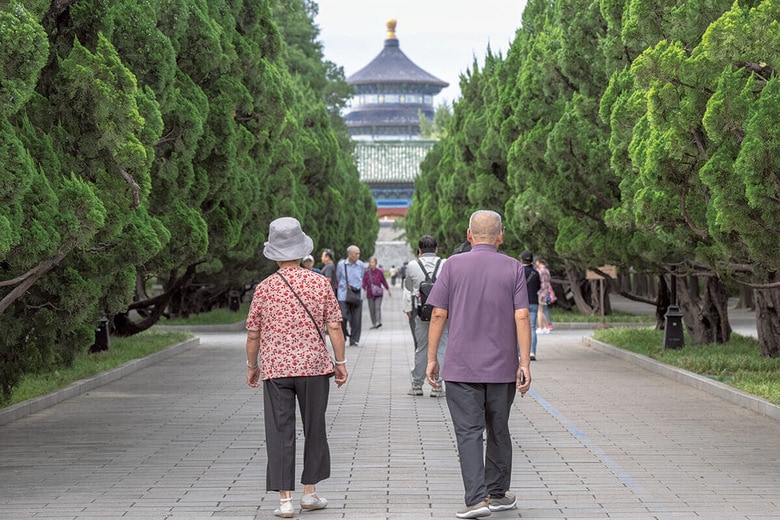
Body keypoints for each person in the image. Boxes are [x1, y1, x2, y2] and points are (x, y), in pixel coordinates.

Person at [425, 210, 532, 519]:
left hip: (461, 368)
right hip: (501, 368)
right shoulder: (513, 268)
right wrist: (524, 362)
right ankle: (497, 495)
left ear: (469, 235)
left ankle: (475, 500)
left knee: (469, 432)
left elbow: (438, 314)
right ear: (501, 236)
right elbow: (522, 316)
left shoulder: (452, 265)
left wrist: (432, 358)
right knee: (498, 427)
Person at [244, 217, 348, 518]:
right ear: (302, 250)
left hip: (276, 369)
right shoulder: (319, 282)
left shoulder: (264, 288)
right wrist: (339, 363)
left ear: (273, 252)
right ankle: (310, 493)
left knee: (279, 430)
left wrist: (253, 365)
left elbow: (253, 333)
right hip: (314, 367)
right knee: (314, 428)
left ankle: (285, 501)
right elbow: (335, 327)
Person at [404, 235, 448, 398]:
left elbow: (408, 286)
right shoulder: (445, 263)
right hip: (443, 312)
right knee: (442, 346)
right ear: (436, 249)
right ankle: (438, 385)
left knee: (422, 347)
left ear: (420, 250)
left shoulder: (413, 265)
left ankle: (417, 385)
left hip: (423, 313)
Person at [336, 245, 365, 346]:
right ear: (350, 254)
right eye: (356, 253)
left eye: (359, 253)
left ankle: (354, 339)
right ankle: (344, 335)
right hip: (343, 295)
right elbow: (338, 277)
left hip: (357, 295)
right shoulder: (341, 265)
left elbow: (362, 276)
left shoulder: (361, 265)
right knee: (342, 316)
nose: (358, 255)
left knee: (356, 319)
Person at [520, 250, 541, 360]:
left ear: (521, 260)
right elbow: (538, 287)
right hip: (533, 302)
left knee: (519, 327)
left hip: (520, 303)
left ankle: (520, 354)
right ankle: (532, 352)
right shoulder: (536, 273)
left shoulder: (518, 271)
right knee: (532, 327)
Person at [362, 257, 391, 329]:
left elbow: (383, 281)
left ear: (376, 263)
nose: (372, 264)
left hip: (378, 293)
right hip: (370, 293)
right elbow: (364, 282)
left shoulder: (379, 272)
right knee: (372, 309)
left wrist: (388, 290)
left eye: (373, 262)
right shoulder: (366, 272)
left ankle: (378, 322)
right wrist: (363, 290)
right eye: (371, 262)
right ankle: (374, 323)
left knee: (377, 307)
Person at [536, 258, 554, 333]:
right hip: (545, 292)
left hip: (540, 292)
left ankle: (541, 327)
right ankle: (546, 327)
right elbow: (549, 280)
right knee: (542, 309)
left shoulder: (539, 271)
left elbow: (537, 281)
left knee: (539, 310)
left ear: (539, 262)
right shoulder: (547, 270)